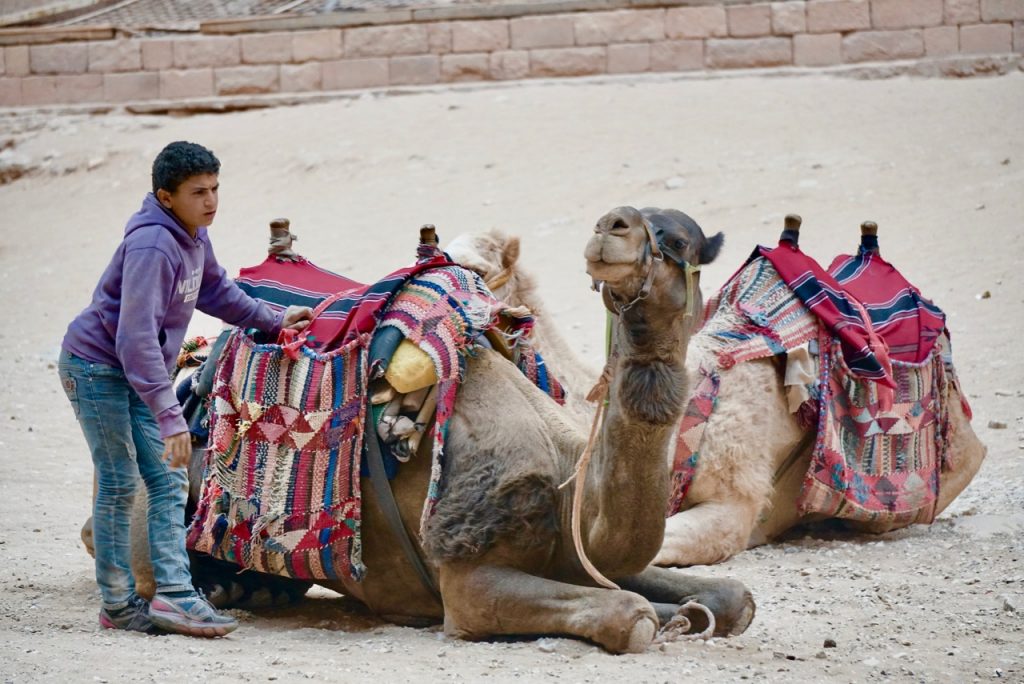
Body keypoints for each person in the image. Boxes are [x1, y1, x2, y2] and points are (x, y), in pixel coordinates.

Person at [58, 141, 312, 637]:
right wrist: (171, 417)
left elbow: (217, 292)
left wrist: (276, 320)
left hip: (132, 371)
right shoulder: (154, 245)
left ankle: (174, 595)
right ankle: (117, 604)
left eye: (215, 188)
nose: (212, 201)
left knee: (170, 481)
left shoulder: (192, 234)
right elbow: (134, 340)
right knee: (118, 483)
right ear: (166, 196)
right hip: (98, 370)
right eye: (198, 192)